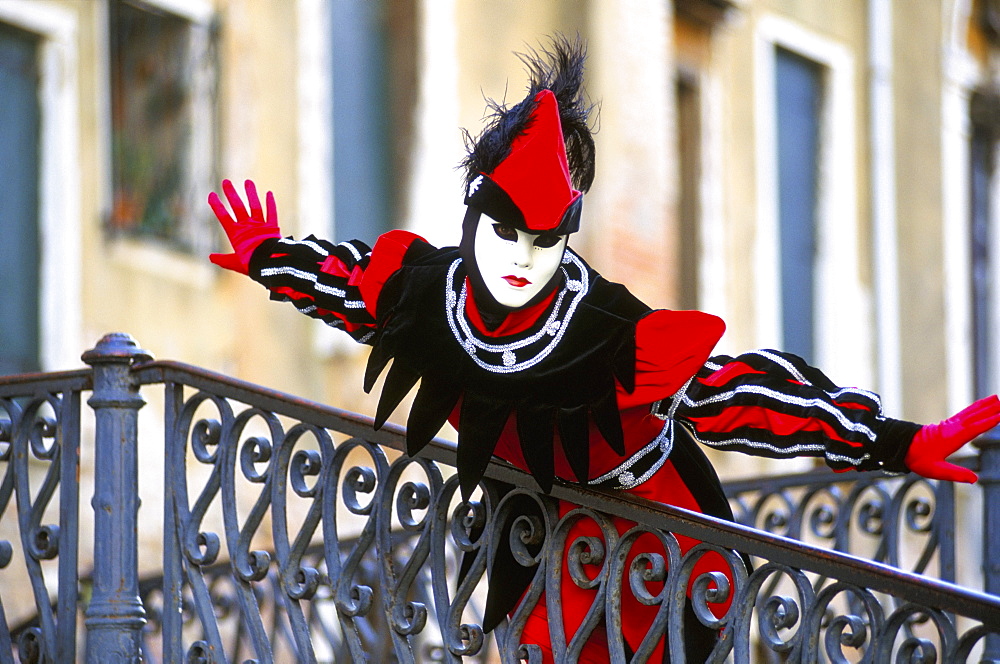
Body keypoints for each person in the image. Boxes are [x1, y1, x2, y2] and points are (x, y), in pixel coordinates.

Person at [207, 36, 1000, 663]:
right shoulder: (431, 296)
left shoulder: (604, 331)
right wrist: (269, 256)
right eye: (505, 233)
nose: (520, 258)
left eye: (544, 241)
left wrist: (891, 439)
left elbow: (734, 395)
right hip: (544, 538)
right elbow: (353, 289)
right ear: (474, 220)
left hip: (663, 547)